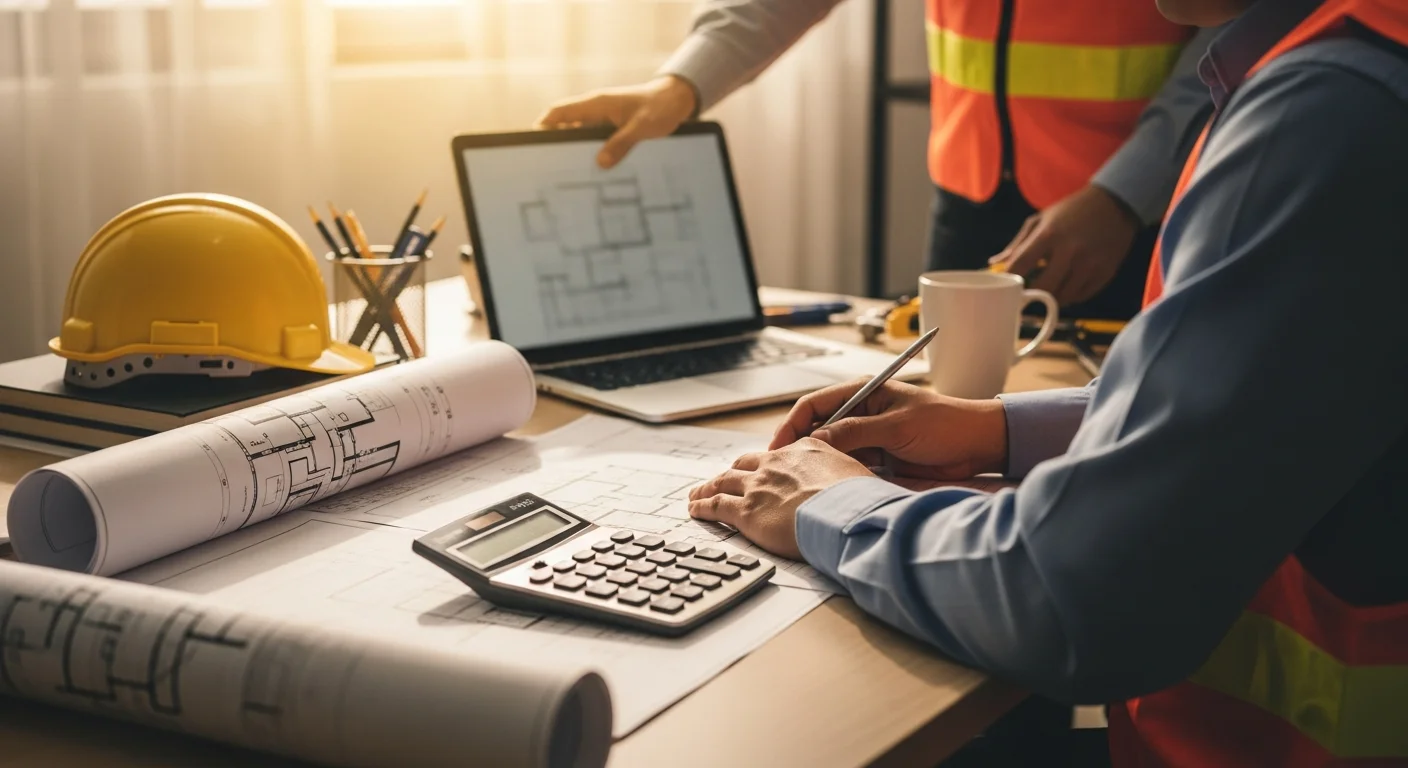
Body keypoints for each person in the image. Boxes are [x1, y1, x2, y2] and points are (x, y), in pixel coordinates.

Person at [687, 0, 1408, 764]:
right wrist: (999, 427)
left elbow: (1077, 598)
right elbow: (1283, 393)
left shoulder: (1328, 114)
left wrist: (830, 506)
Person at [536, 1, 1219, 320]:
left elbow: (1234, 30)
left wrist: (1127, 193)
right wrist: (680, 85)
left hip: (1137, 215)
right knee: (949, 447)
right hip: (970, 202)